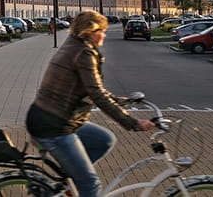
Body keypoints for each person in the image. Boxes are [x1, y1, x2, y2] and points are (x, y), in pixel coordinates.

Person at [25, 10, 155, 197]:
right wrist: (133, 123)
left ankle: (65, 185)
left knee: (103, 140)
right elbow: (96, 93)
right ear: (90, 31)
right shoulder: (83, 52)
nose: (104, 34)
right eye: (101, 30)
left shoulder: (74, 44)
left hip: (51, 117)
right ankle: (73, 183)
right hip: (55, 125)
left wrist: (116, 99)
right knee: (90, 185)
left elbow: (90, 88)